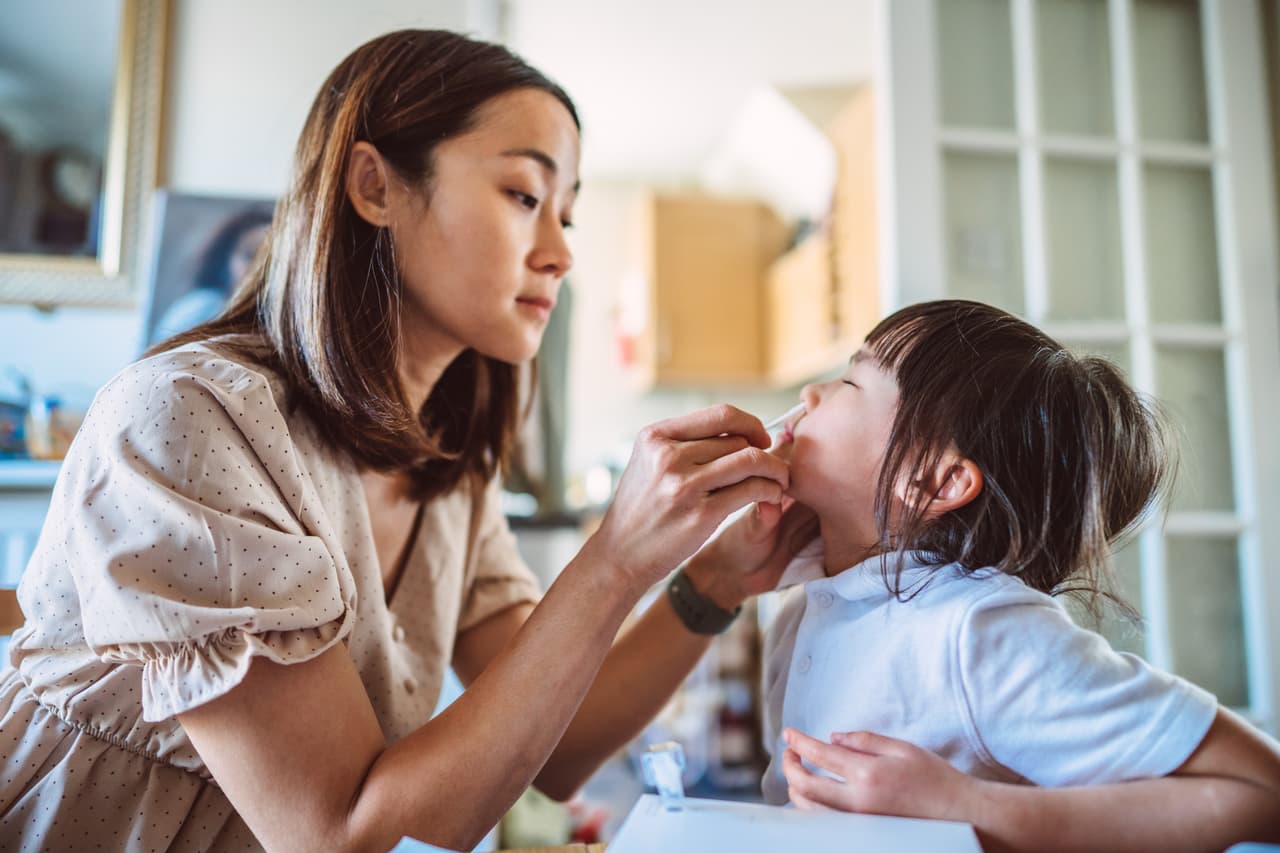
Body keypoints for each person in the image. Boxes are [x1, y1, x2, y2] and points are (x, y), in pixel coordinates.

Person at [0, 30, 810, 852]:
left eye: (566, 214)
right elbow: (336, 831)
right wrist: (614, 560)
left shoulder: (451, 471)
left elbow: (559, 745)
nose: (562, 253)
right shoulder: (186, 419)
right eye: (526, 197)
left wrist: (716, 577)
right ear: (374, 186)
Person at [759, 299, 1280, 850]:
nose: (809, 395)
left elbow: (1262, 787)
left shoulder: (976, 630)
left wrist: (962, 807)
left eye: (850, 382)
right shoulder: (803, 612)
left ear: (935, 482)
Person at [149, 207, 273, 345]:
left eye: (272, 259)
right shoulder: (203, 306)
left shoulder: (271, 318)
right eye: (251, 255)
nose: (261, 267)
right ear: (224, 260)